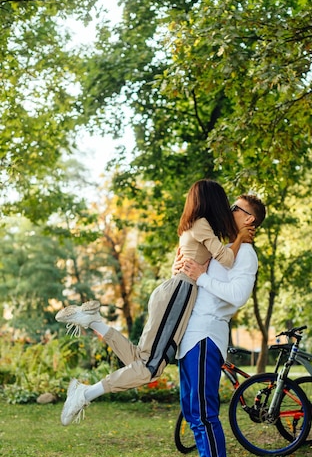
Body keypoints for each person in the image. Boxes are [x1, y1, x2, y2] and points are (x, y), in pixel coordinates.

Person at [55, 179, 255, 426]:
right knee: (150, 368)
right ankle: (85, 393)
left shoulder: (192, 225)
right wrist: (240, 239)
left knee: (140, 359)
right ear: (213, 201)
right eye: (227, 203)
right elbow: (225, 259)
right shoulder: (202, 225)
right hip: (179, 294)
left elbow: (190, 259)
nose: (229, 208)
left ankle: (94, 322)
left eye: (236, 207)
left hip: (172, 291)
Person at [175, 194, 266, 457]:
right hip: (190, 335)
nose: (229, 211)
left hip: (206, 335)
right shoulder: (227, 249)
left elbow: (237, 297)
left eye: (236, 209)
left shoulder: (247, 255)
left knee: (204, 412)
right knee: (192, 411)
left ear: (249, 220)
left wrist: (203, 277)